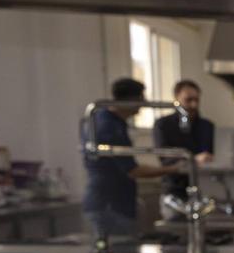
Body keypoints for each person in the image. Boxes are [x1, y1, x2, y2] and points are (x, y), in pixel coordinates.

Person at [81, 78, 180, 239]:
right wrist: (174, 169)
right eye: (141, 99)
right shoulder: (108, 127)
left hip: (112, 203)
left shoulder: (109, 121)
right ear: (131, 100)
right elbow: (133, 170)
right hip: (109, 207)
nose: (144, 104)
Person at [153, 79, 215, 220]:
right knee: (176, 230)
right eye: (188, 100)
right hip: (174, 192)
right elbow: (164, 158)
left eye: (196, 100)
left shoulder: (207, 126)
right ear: (176, 99)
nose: (193, 104)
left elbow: (211, 155)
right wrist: (192, 159)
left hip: (202, 191)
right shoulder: (163, 125)